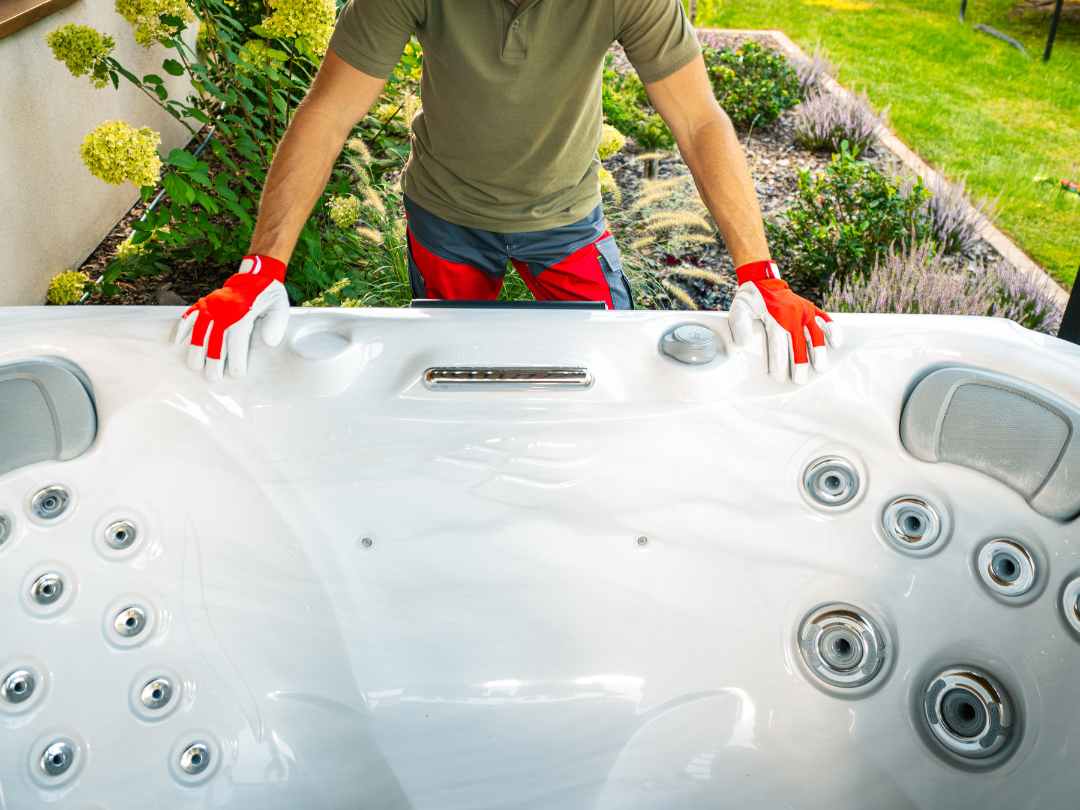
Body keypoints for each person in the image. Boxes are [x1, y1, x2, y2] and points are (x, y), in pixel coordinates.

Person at [175, 0, 840, 383]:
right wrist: (260, 268)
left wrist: (761, 273)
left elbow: (699, 121)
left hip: (567, 219)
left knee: (609, 371)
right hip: (446, 218)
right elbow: (327, 114)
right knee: (448, 375)